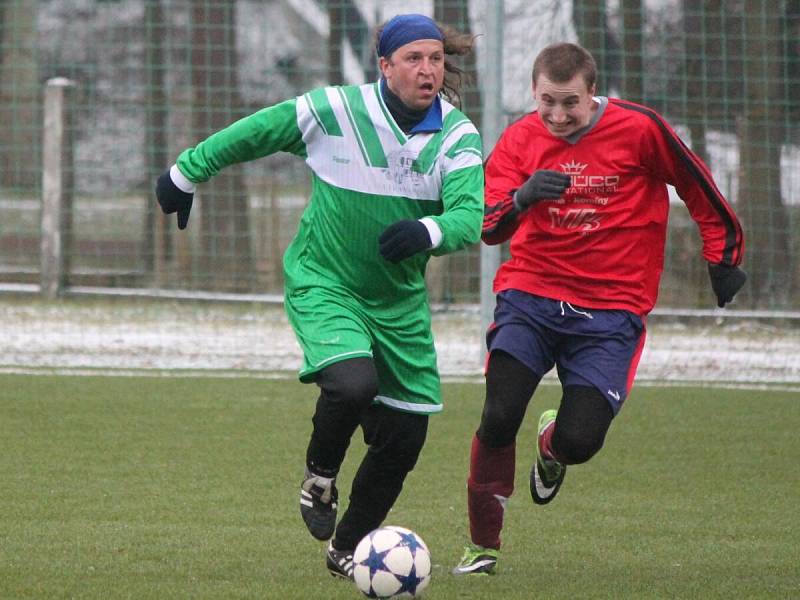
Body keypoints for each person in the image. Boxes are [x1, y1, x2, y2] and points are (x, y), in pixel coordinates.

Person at [155, 13, 483, 580]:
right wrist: (186, 172)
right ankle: (319, 478)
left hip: (399, 304)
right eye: (413, 59)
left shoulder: (456, 135)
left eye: (434, 59)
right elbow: (257, 131)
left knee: (405, 436)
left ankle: (349, 550)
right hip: (324, 282)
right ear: (385, 66)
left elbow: (469, 214)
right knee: (353, 382)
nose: (427, 70)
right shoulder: (334, 111)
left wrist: (428, 231)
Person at [452, 42, 746, 576]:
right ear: (534, 94)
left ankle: (552, 444)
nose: (558, 116)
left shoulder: (639, 129)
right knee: (497, 414)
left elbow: (695, 181)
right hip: (532, 297)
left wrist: (721, 256)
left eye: (570, 103)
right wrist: (521, 199)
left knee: (580, 442)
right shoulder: (519, 140)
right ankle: (482, 547)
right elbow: (487, 224)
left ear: (593, 93)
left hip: (611, 311)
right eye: (547, 103)